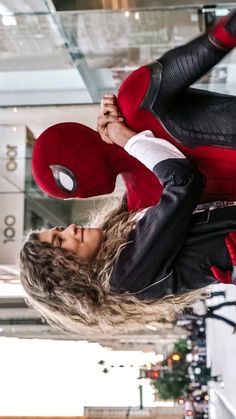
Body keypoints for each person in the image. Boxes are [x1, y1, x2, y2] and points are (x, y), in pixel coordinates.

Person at [20, 99, 236, 336]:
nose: (71, 228)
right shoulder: (124, 277)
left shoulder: (116, 240)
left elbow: (143, 176)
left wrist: (111, 133)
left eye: (59, 229)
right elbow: (183, 183)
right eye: (60, 241)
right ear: (65, 272)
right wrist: (126, 139)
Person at [32, 10, 236, 212]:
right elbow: (216, 42)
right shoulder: (140, 205)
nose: (82, 194)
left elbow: (213, 44)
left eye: (68, 183)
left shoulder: (133, 103)